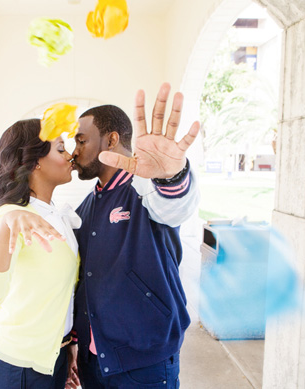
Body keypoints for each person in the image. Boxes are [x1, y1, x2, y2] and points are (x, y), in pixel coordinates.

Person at [69, 83, 200, 388]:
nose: (74, 151)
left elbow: (173, 206)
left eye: (81, 140)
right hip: (95, 361)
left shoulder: (146, 189)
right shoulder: (87, 205)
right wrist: (75, 340)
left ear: (111, 139)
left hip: (144, 364)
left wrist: (171, 176)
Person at [0, 118, 82, 389]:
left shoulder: (52, 212)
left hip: (50, 358)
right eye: (60, 149)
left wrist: (67, 344)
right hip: (17, 368)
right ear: (35, 162)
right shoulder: (11, 216)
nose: (71, 155)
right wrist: (8, 226)